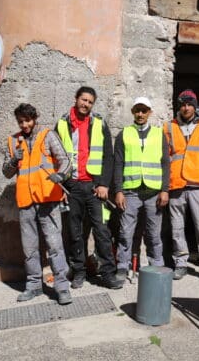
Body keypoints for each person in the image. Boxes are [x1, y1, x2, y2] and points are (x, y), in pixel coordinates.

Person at [2, 103, 72, 305]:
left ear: (34, 118)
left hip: (48, 200)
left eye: (27, 120)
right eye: (20, 121)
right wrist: (15, 159)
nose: (24, 125)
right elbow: (6, 172)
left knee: (55, 245)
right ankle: (33, 286)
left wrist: (61, 175)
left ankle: (62, 288)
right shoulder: (13, 141)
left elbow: (65, 160)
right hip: (26, 201)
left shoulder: (48, 135)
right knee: (29, 248)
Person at [55, 86, 123, 289]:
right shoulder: (62, 124)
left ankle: (108, 274)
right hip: (72, 187)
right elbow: (54, 156)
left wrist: (103, 184)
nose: (86, 104)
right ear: (76, 99)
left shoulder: (99, 123)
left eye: (90, 102)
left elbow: (108, 157)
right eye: (83, 100)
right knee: (75, 233)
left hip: (95, 188)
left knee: (102, 231)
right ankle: (79, 272)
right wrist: (61, 187)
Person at [164, 89, 199, 283]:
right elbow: (165, 155)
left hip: (198, 184)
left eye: (189, 104)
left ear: (195, 106)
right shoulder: (169, 127)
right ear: (178, 106)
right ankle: (180, 263)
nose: (186, 107)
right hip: (176, 184)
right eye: (183, 104)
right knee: (177, 228)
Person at [113, 96, 169, 282]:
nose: (140, 114)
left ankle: (156, 266)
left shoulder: (159, 134)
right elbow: (118, 163)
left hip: (153, 192)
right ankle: (122, 266)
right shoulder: (124, 134)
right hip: (131, 191)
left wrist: (165, 190)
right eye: (137, 110)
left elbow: (165, 164)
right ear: (132, 112)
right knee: (125, 232)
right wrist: (118, 190)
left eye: (144, 110)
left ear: (149, 113)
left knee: (154, 233)